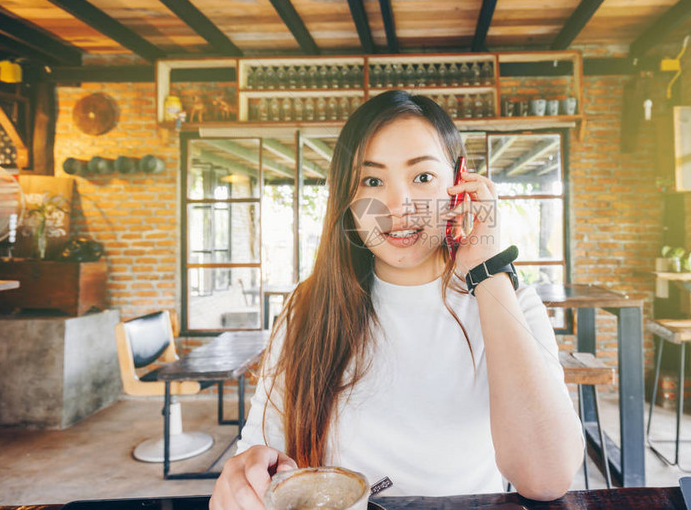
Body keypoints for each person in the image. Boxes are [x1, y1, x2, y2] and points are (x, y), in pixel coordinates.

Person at [210, 90, 584, 510]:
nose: (398, 206)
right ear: (347, 198)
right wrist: (247, 473)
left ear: (460, 185)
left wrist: (485, 270)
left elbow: (546, 478)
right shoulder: (309, 305)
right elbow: (264, 451)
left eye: (422, 178)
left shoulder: (509, 301)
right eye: (372, 181)